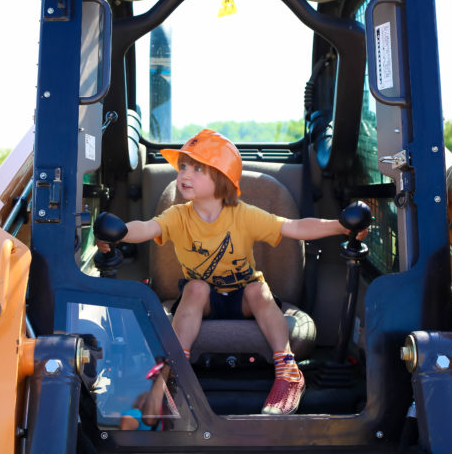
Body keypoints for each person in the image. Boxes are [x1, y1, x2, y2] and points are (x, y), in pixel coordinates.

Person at [97, 129, 368, 415]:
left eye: (198, 168)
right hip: (205, 303)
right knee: (195, 287)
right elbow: (147, 228)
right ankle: (174, 372)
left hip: (243, 299)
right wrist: (122, 232)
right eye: (184, 167)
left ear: (222, 179)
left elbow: (295, 227)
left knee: (257, 288)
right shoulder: (177, 216)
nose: (184, 174)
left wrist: (339, 226)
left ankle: (288, 371)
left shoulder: (243, 214)